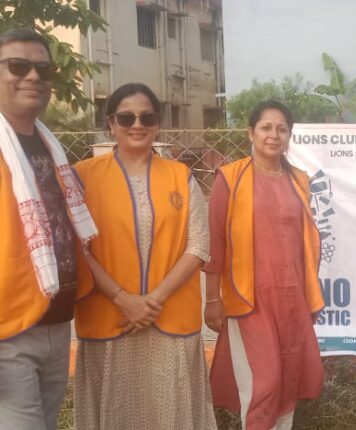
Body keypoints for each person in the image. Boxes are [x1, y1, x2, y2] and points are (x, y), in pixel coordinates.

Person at [73, 83, 217, 429]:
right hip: (109, 319)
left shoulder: (181, 176)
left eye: (147, 117)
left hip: (170, 317)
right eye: (126, 118)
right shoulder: (82, 177)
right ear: (111, 124)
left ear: (157, 124)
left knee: (171, 414)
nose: (137, 125)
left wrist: (151, 302)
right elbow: (79, 249)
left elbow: (199, 245)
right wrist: (123, 299)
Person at [204, 100, 324, 430]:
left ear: (289, 135)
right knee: (264, 383)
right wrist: (212, 299)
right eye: (266, 127)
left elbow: (304, 242)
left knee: (288, 378)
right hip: (249, 298)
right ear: (251, 133)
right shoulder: (230, 179)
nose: (274, 135)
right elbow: (215, 244)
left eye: (282, 129)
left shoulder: (298, 180)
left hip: (292, 298)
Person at [0, 28, 97, 429]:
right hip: (9, 330)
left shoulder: (49, 145)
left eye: (43, 69)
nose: (33, 77)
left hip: (57, 320)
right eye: (18, 66)